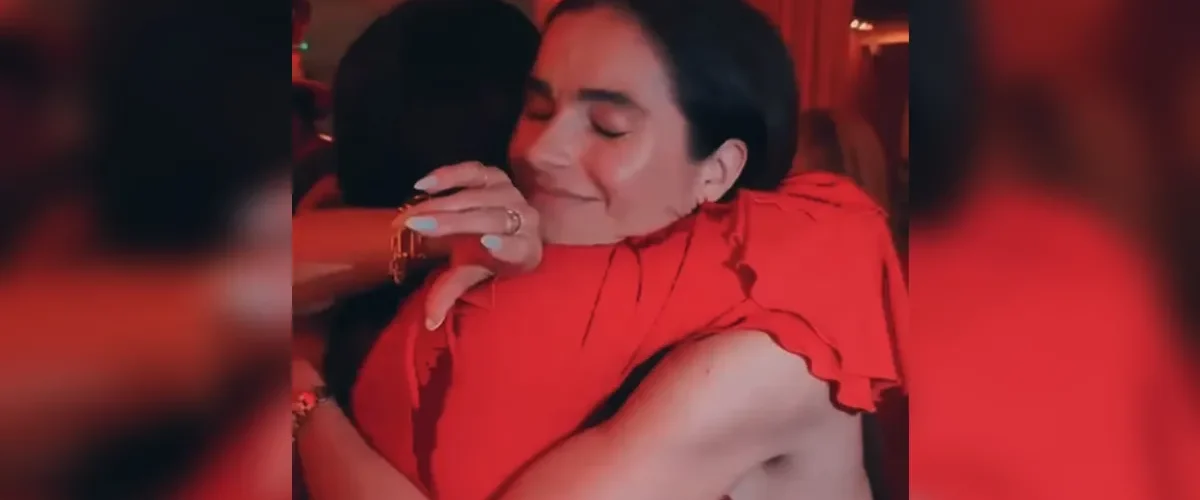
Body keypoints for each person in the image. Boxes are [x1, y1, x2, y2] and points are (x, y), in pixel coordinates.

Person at [293, 1, 905, 499]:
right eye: (537, 109)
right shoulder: (553, 256)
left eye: (608, 127)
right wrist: (439, 235)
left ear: (717, 170)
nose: (540, 151)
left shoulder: (767, 349)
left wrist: (301, 392)